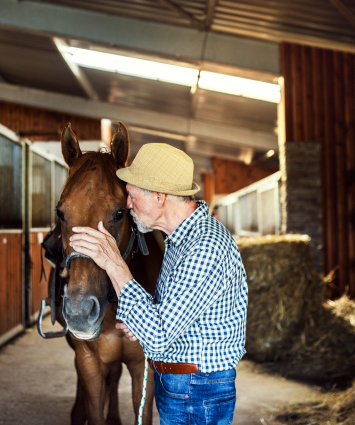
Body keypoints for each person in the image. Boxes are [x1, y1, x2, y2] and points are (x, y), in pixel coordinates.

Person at [69, 143, 248, 425]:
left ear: (160, 197)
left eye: (132, 195)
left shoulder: (204, 247)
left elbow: (160, 335)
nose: (127, 205)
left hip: (195, 389)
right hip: (184, 384)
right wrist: (140, 322)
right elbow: (171, 316)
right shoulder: (179, 240)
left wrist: (115, 264)